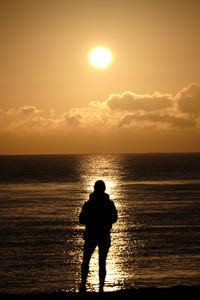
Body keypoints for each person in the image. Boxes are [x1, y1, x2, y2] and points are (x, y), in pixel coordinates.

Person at [79, 180, 118, 293]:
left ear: (95, 189)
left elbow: (81, 219)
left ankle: (83, 284)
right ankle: (100, 287)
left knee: (86, 260)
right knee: (102, 262)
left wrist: (92, 220)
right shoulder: (109, 204)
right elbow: (114, 218)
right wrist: (105, 222)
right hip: (104, 235)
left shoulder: (89, 203)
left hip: (92, 234)